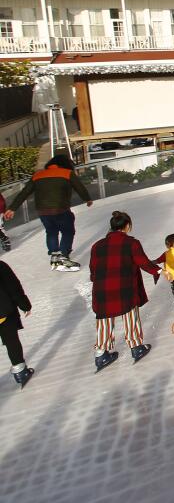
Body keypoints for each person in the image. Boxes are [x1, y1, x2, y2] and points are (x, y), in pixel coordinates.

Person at [90, 210, 160, 372]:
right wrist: (157, 271)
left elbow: (93, 268)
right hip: (124, 287)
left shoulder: (97, 245)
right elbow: (142, 261)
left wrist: (98, 280)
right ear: (127, 226)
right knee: (130, 316)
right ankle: (136, 347)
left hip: (102, 289)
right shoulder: (131, 243)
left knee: (104, 320)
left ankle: (101, 354)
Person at [2, 154, 94, 271]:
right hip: (60, 209)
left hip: (42, 211)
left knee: (51, 231)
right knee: (68, 231)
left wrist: (12, 208)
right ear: (66, 164)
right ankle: (63, 257)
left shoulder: (38, 175)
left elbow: (25, 192)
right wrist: (87, 199)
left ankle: (55, 256)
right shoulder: (67, 173)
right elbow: (80, 187)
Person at [0, 259, 33, 388]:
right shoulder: (1, 266)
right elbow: (13, 287)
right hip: (4, 312)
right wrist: (24, 305)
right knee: (11, 341)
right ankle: (20, 371)